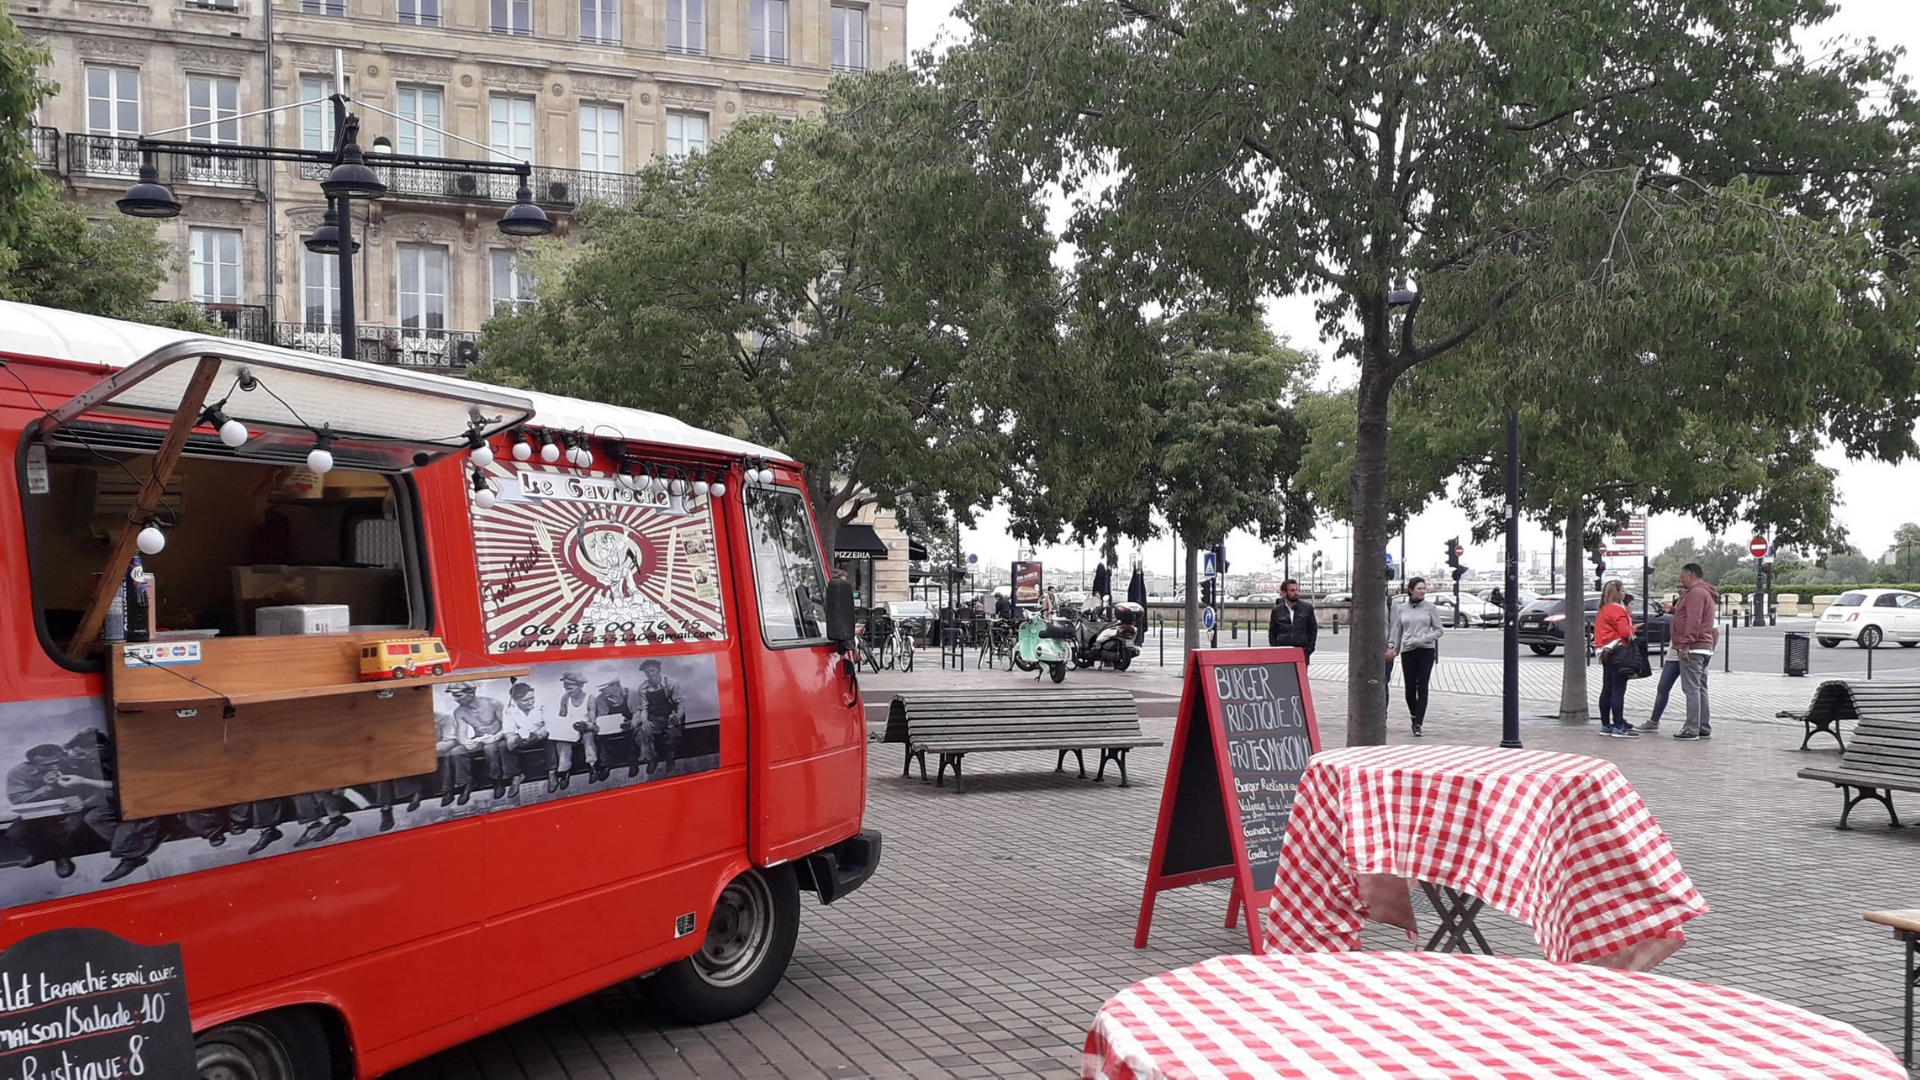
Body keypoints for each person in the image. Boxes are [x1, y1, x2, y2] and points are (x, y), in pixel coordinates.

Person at [1385, 577, 1445, 737]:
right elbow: (1398, 630)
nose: (1422, 591)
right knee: (1410, 688)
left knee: (1422, 685)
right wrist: (1394, 649)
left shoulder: (1430, 608)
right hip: (1408, 651)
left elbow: (1439, 630)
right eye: (1419, 588)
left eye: (1424, 588)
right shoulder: (1402, 608)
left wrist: (1423, 638)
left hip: (1425, 651)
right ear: (1411, 590)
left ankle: (1418, 723)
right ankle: (1413, 714)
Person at [1669, 563, 1719, 740]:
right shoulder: (1706, 593)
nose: (1681, 580)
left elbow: (1693, 620)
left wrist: (1685, 643)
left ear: (1690, 574)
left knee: (1691, 689)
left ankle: (1691, 728)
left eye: (1682, 576)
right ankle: (1703, 726)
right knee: (1700, 688)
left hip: (1695, 647)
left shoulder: (1695, 594)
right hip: (1704, 647)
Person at [450, 681, 520, 799]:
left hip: (499, 736)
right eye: (454, 696)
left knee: (490, 748)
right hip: (480, 738)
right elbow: (461, 733)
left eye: (458, 695)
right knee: (456, 751)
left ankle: (497, 781)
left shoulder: (493, 703)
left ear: (471, 693)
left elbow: (508, 725)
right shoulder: (459, 711)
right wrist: (466, 742)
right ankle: (467, 784)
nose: (455, 699)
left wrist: (495, 737)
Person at [1593, 580, 1641, 739]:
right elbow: (1625, 632)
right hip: (1618, 651)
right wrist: (1634, 627)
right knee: (1618, 691)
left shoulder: (1603, 609)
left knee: (1607, 689)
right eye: (1623, 590)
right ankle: (1619, 726)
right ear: (1618, 593)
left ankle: (1606, 725)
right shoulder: (1617, 609)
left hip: (1604, 651)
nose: (1625, 593)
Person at [637, 658, 686, 777]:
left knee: (672, 735)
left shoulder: (671, 683)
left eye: (652, 670)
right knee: (644, 732)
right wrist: (645, 720)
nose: (650, 673)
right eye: (647, 671)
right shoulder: (642, 688)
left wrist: (678, 715)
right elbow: (644, 707)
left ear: (659, 670)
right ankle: (652, 759)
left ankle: (670, 757)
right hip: (655, 718)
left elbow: (680, 702)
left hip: (671, 715)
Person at [505, 681, 557, 793]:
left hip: (541, 736)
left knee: (552, 738)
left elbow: (550, 725)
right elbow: (508, 732)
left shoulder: (542, 705)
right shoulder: (509, 710)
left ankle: (552, 772)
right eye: (525, 700)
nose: (530, 702)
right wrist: (516, 740)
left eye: (532, 698)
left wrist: (538, 735)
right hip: (522, 739)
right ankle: (516, 775)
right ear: (515, 700)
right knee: (503, 746)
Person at [551, 670, 592, 788]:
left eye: (570, 689)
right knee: (562, 742)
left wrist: (586, 726)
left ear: (579, 686)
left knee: (588, 739)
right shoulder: (565, 698)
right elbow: (562, 716)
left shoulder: (589, 698)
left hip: (584, 728)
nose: (567, 691)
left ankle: (592, 766)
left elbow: (593, 719)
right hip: (570, 729)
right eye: (565, 688)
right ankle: (564, 772)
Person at [1267, 579, 1318, 658]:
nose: (1295, 593)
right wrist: (1275, 648)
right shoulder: (1277, 610)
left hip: (1302, 650)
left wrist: (1309, 650)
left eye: (1296, 590)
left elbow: (1313, 630)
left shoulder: (1307, 608)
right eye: (1292, 590)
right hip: (1282, 651)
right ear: (1284, 592)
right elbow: (1272, 632)